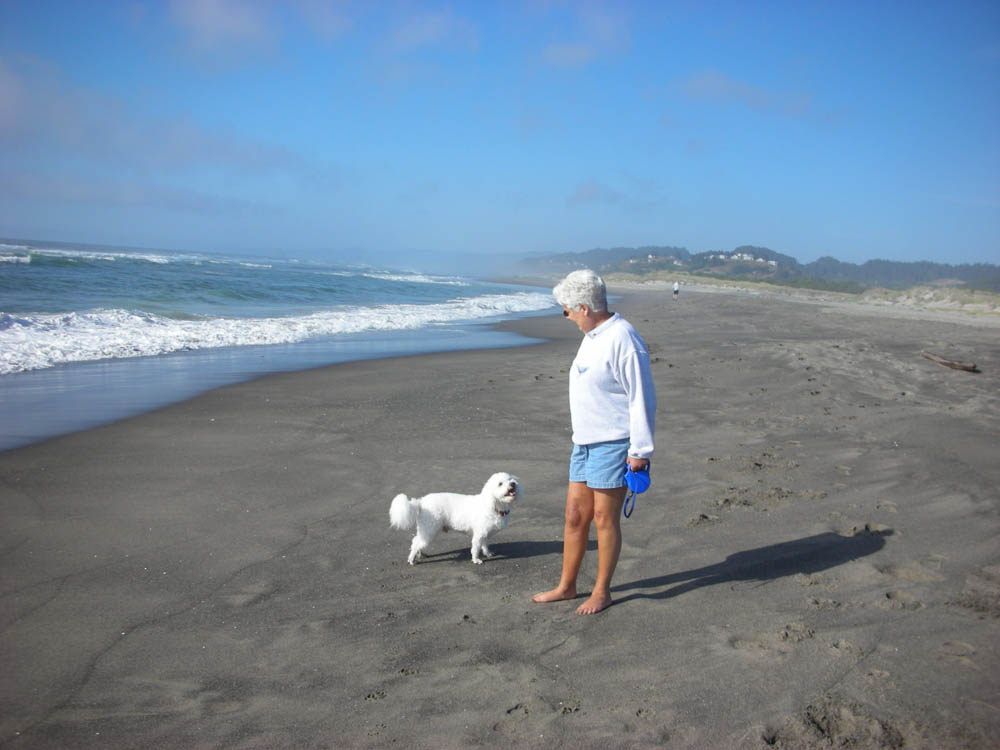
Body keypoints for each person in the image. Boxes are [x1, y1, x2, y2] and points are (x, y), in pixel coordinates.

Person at [532, 269, 657, 614]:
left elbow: (642, 398)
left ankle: (602, 591)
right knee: (575, 515)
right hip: (584, 443)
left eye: (567, 310)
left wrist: (640, 452)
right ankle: (567, 586)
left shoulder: (624, 338)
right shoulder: (592, 336)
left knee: (604, 518)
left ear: (584, 307)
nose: (567, 316)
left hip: (614, 443)